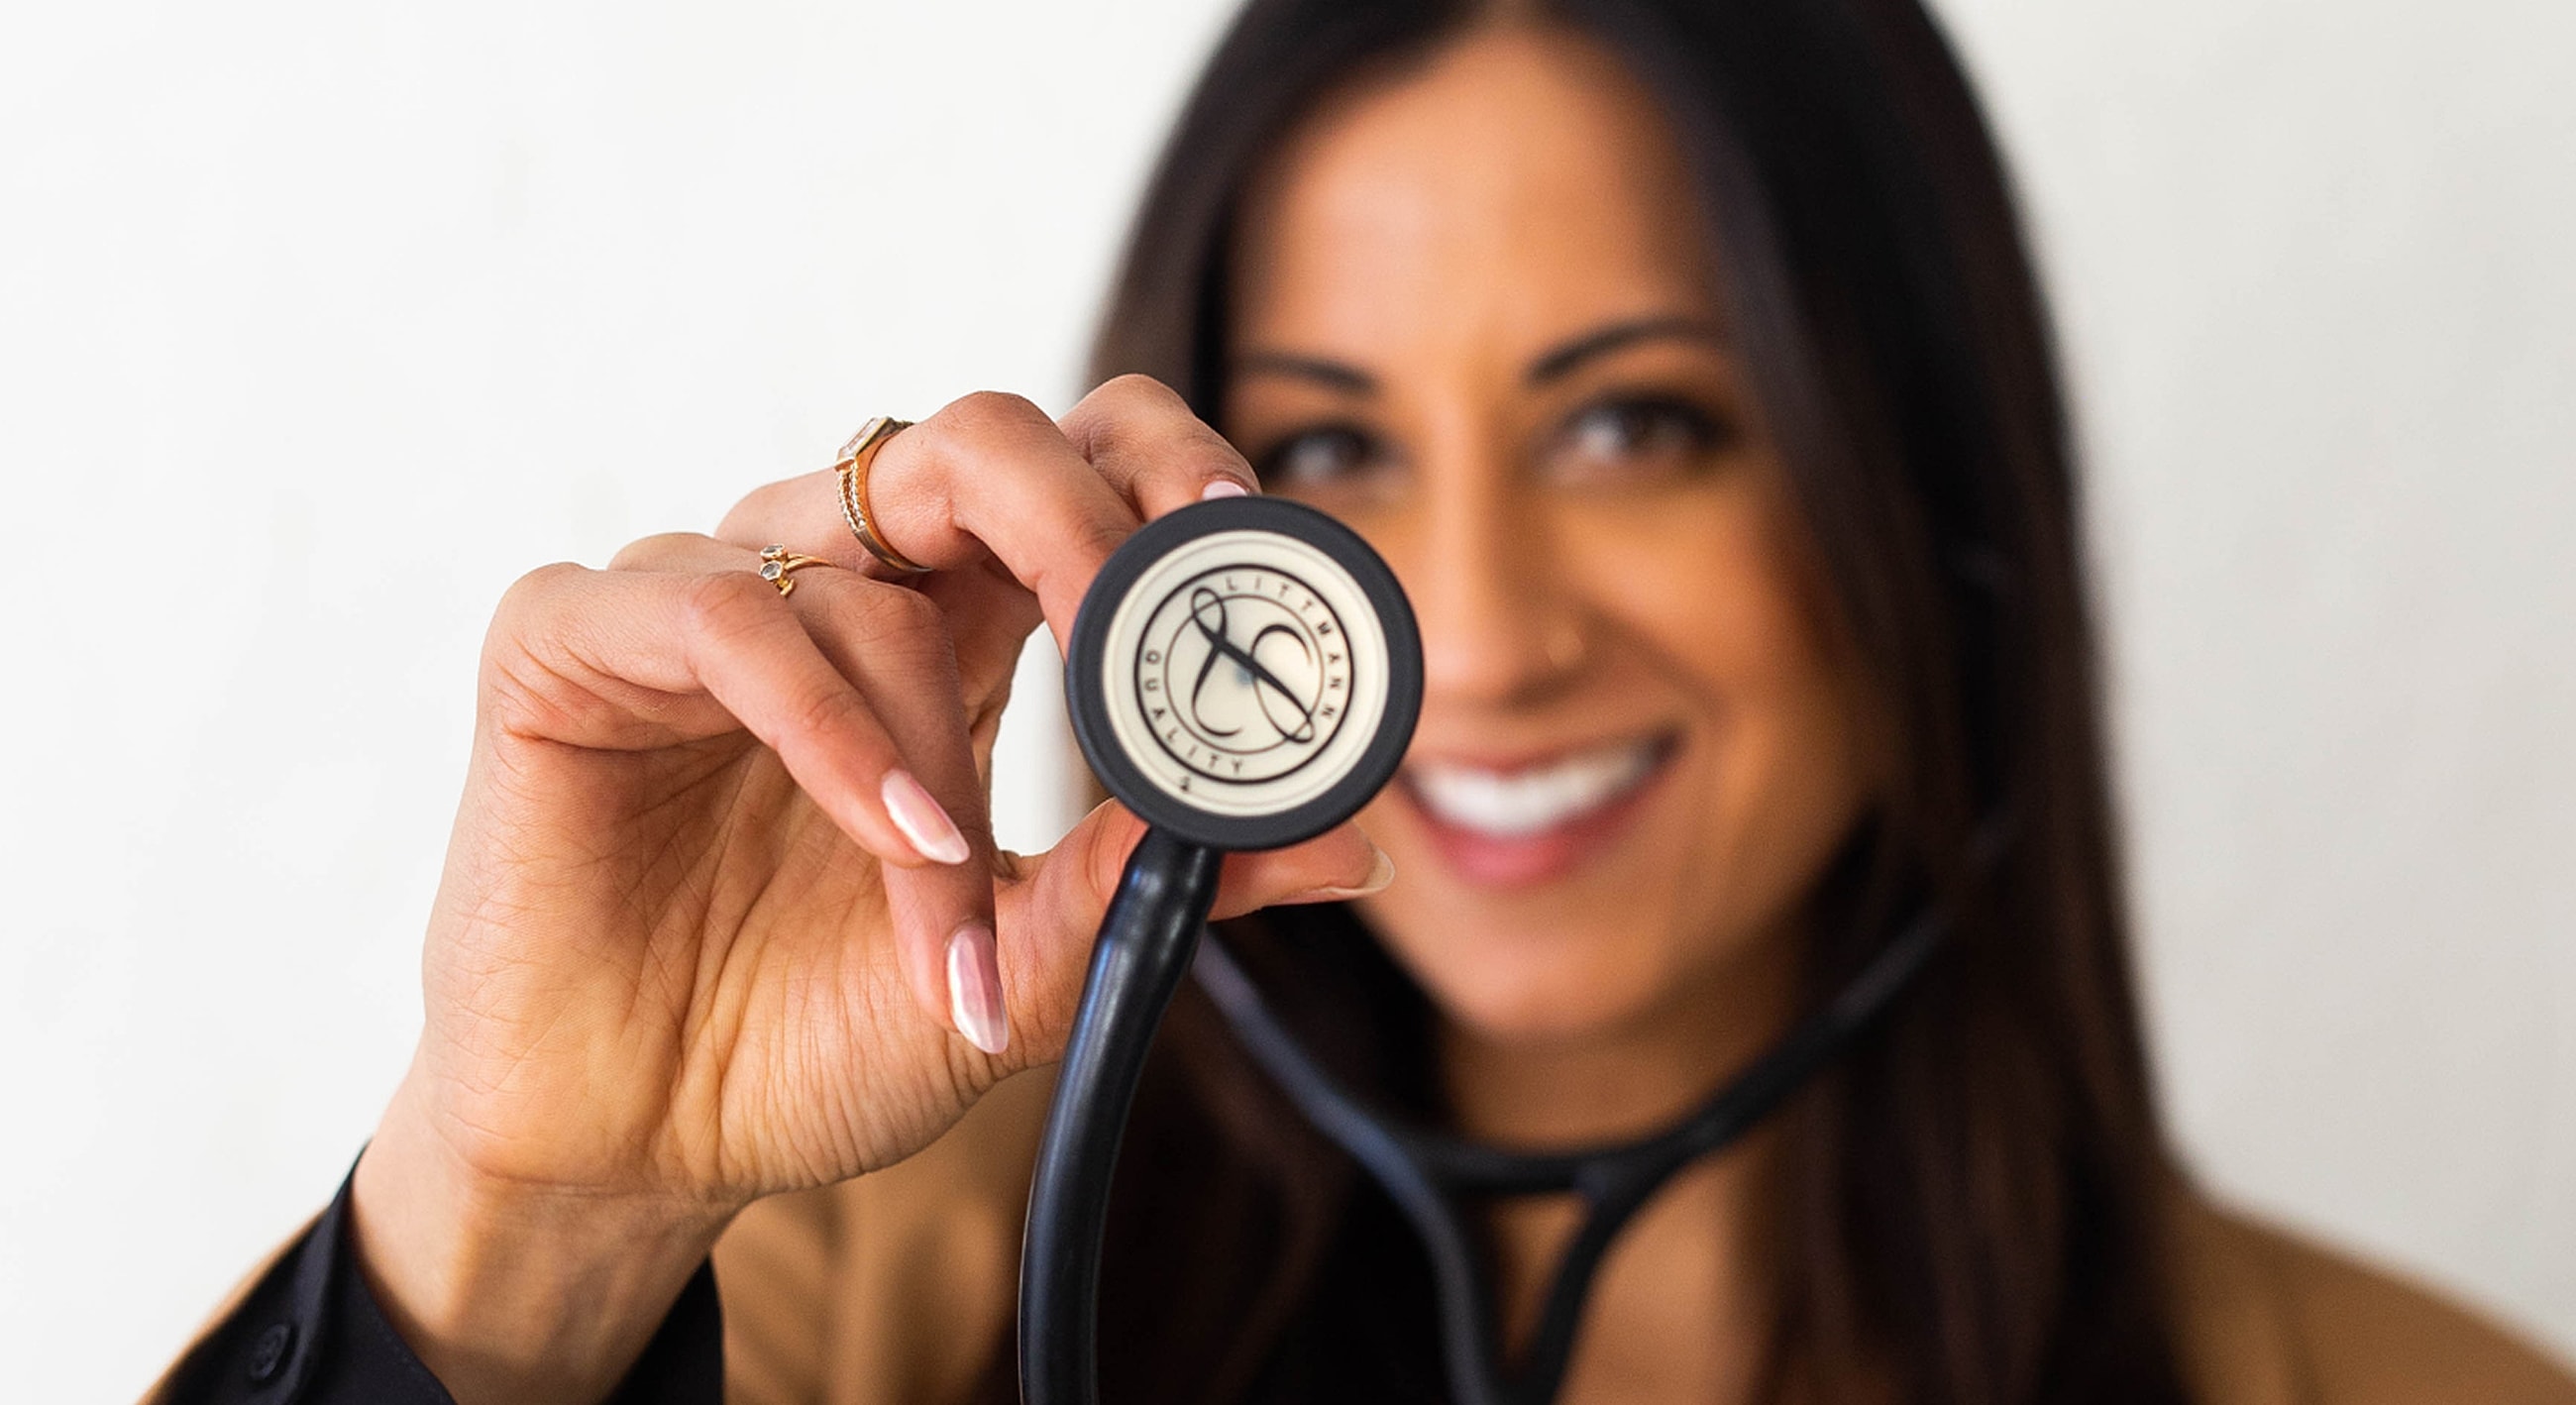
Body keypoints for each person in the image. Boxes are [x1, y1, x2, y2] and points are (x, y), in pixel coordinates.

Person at [151, 1, 2576, 1402]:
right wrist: (524, 1225)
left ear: (1930, 505)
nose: (1485, 630)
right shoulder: (813, 1312)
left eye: (1640, 423)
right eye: (1322, 450)